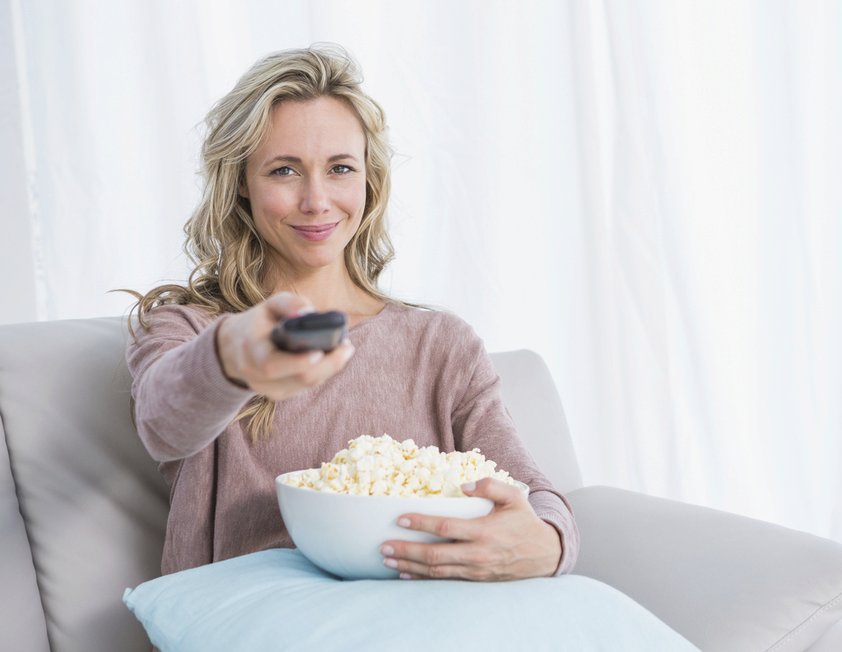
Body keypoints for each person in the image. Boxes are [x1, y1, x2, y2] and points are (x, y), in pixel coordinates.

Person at [125, 44, 579, 581]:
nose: (317, 201)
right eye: (284, 170)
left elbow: (532, 491)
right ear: (241, 185)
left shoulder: (440, 345)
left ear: (369, 182)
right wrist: (233, 356)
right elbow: (164, 422)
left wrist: (548, 544)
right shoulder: (190, 329)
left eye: (340, 168)